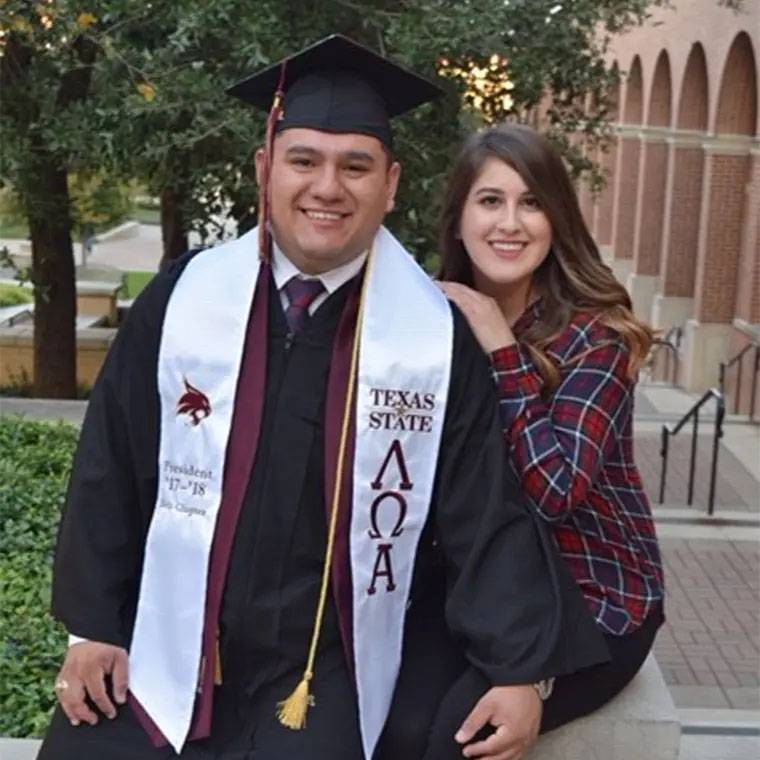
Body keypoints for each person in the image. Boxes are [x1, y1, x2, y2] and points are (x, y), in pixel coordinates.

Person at [39, 39, 608, 760]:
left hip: (323, 662)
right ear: (264, 169)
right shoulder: (184, 303)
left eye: (356, 166)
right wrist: (92, 630)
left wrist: (521, 671)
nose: (327, 187)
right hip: (168, 641)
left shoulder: (429, 340)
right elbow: (108, 466)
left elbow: (481, 508)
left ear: (392, 184)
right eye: (304, 160)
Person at [437, 123, 665, 733]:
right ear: (459, 218)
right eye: (490, 201)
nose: (510, 222)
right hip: (485, 585)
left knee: (458, 731)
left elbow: (554, 491)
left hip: (594, 596)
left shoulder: (599, 338)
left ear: (556, 220)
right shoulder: (436, 320)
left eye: (531, 203)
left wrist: (499, 345)